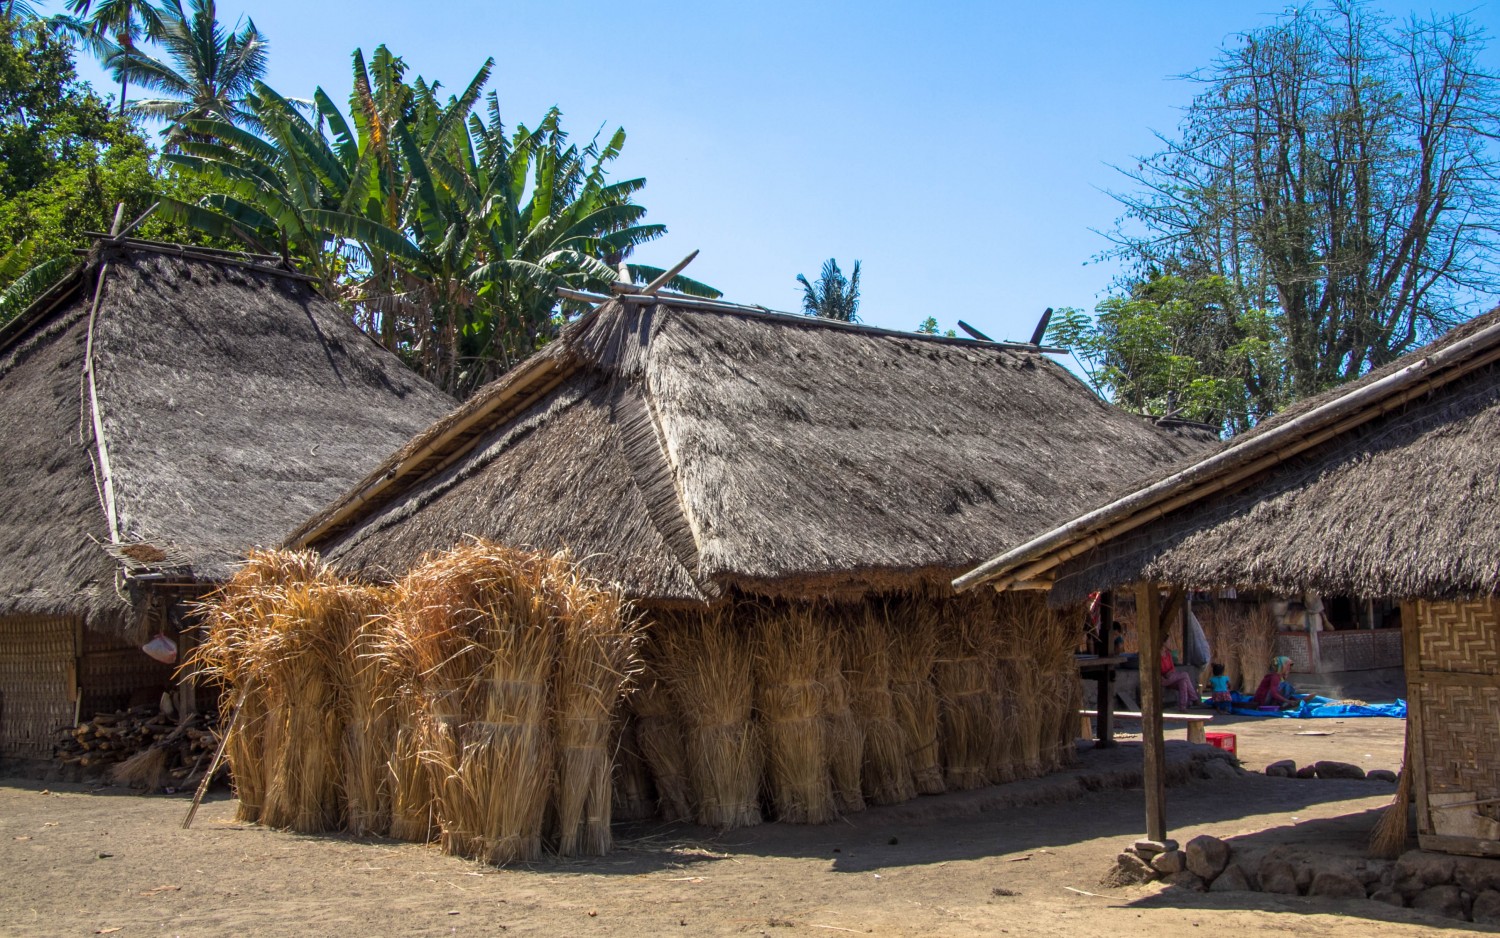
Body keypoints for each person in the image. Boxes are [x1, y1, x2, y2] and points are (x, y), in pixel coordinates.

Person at [1160, 646, 1200, 711]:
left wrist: (1171, 672)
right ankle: (1194, 698)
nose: (1164, 648)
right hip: (1162, 678)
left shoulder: (1168, 654)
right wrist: (1165, 674)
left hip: (1171, 676)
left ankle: (1182, 706)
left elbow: (1172, 667)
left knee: (1183, 682)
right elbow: (1159, 670)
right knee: (1185, 674)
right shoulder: (1156, 657)